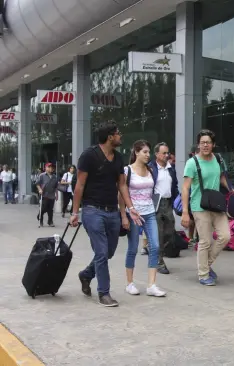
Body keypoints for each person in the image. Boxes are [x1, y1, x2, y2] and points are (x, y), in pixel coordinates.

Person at [70, 122, 143, 307]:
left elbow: (122, 185)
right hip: (92, 210)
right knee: (101, 252)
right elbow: (79, 185)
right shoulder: (89, 155)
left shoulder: (118, 159)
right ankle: (104, 293)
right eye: (118, 133)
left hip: (112, 213)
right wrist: (74, 212)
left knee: (108, 252)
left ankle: (86, 274)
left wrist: (130, 208)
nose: (121, 136)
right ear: (110, 137)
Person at [181, 129, 234, 286]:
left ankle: (205, 265)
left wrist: (230, 188)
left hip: (216, 204)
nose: (205, 145)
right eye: (202, 143)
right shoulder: (192, 163)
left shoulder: (219, 159)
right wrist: (185, 212)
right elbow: (185, 187)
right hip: (199, 206)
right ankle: (203, 274)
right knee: (205, 241)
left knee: (225, 236)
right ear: (198, 145)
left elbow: (221, 177)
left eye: (208, 142)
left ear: (213, 145)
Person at [120, 140, 166, 297]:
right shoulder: (127, 171)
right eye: (145, 152)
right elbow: (121, 194)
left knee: (155, 246)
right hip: (133, 214)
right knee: (133, 248)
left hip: (150, 212)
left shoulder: (151, 170)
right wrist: (123, 215)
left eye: (148, 152)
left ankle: (152, 285)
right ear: (136, 152)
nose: (148, 155)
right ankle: (129, 283)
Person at [146, 142, 179, 274]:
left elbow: (174, 185)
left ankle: (154, 250)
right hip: (155, 203)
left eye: (168, 153)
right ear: (157, 154)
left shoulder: (171, 168)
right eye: (164, 153)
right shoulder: (150, 168)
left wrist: (178, 200)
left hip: (168, 203)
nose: (167, 155)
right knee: (158, 233)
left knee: (169, 233)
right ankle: (159, 261)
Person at [36, 163, 58, 227]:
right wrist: (40, 189)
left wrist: (56, 194)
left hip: (52, 195)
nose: (51, 168)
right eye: (49, 167)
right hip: (44, 194)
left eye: (52, 167)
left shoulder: (54, 177)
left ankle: (50, 221)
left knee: (50, 209)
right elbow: (37, 184)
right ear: (46, 168)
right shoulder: (42, 175)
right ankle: (40, 219)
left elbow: (56, 186)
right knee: (43, 208)